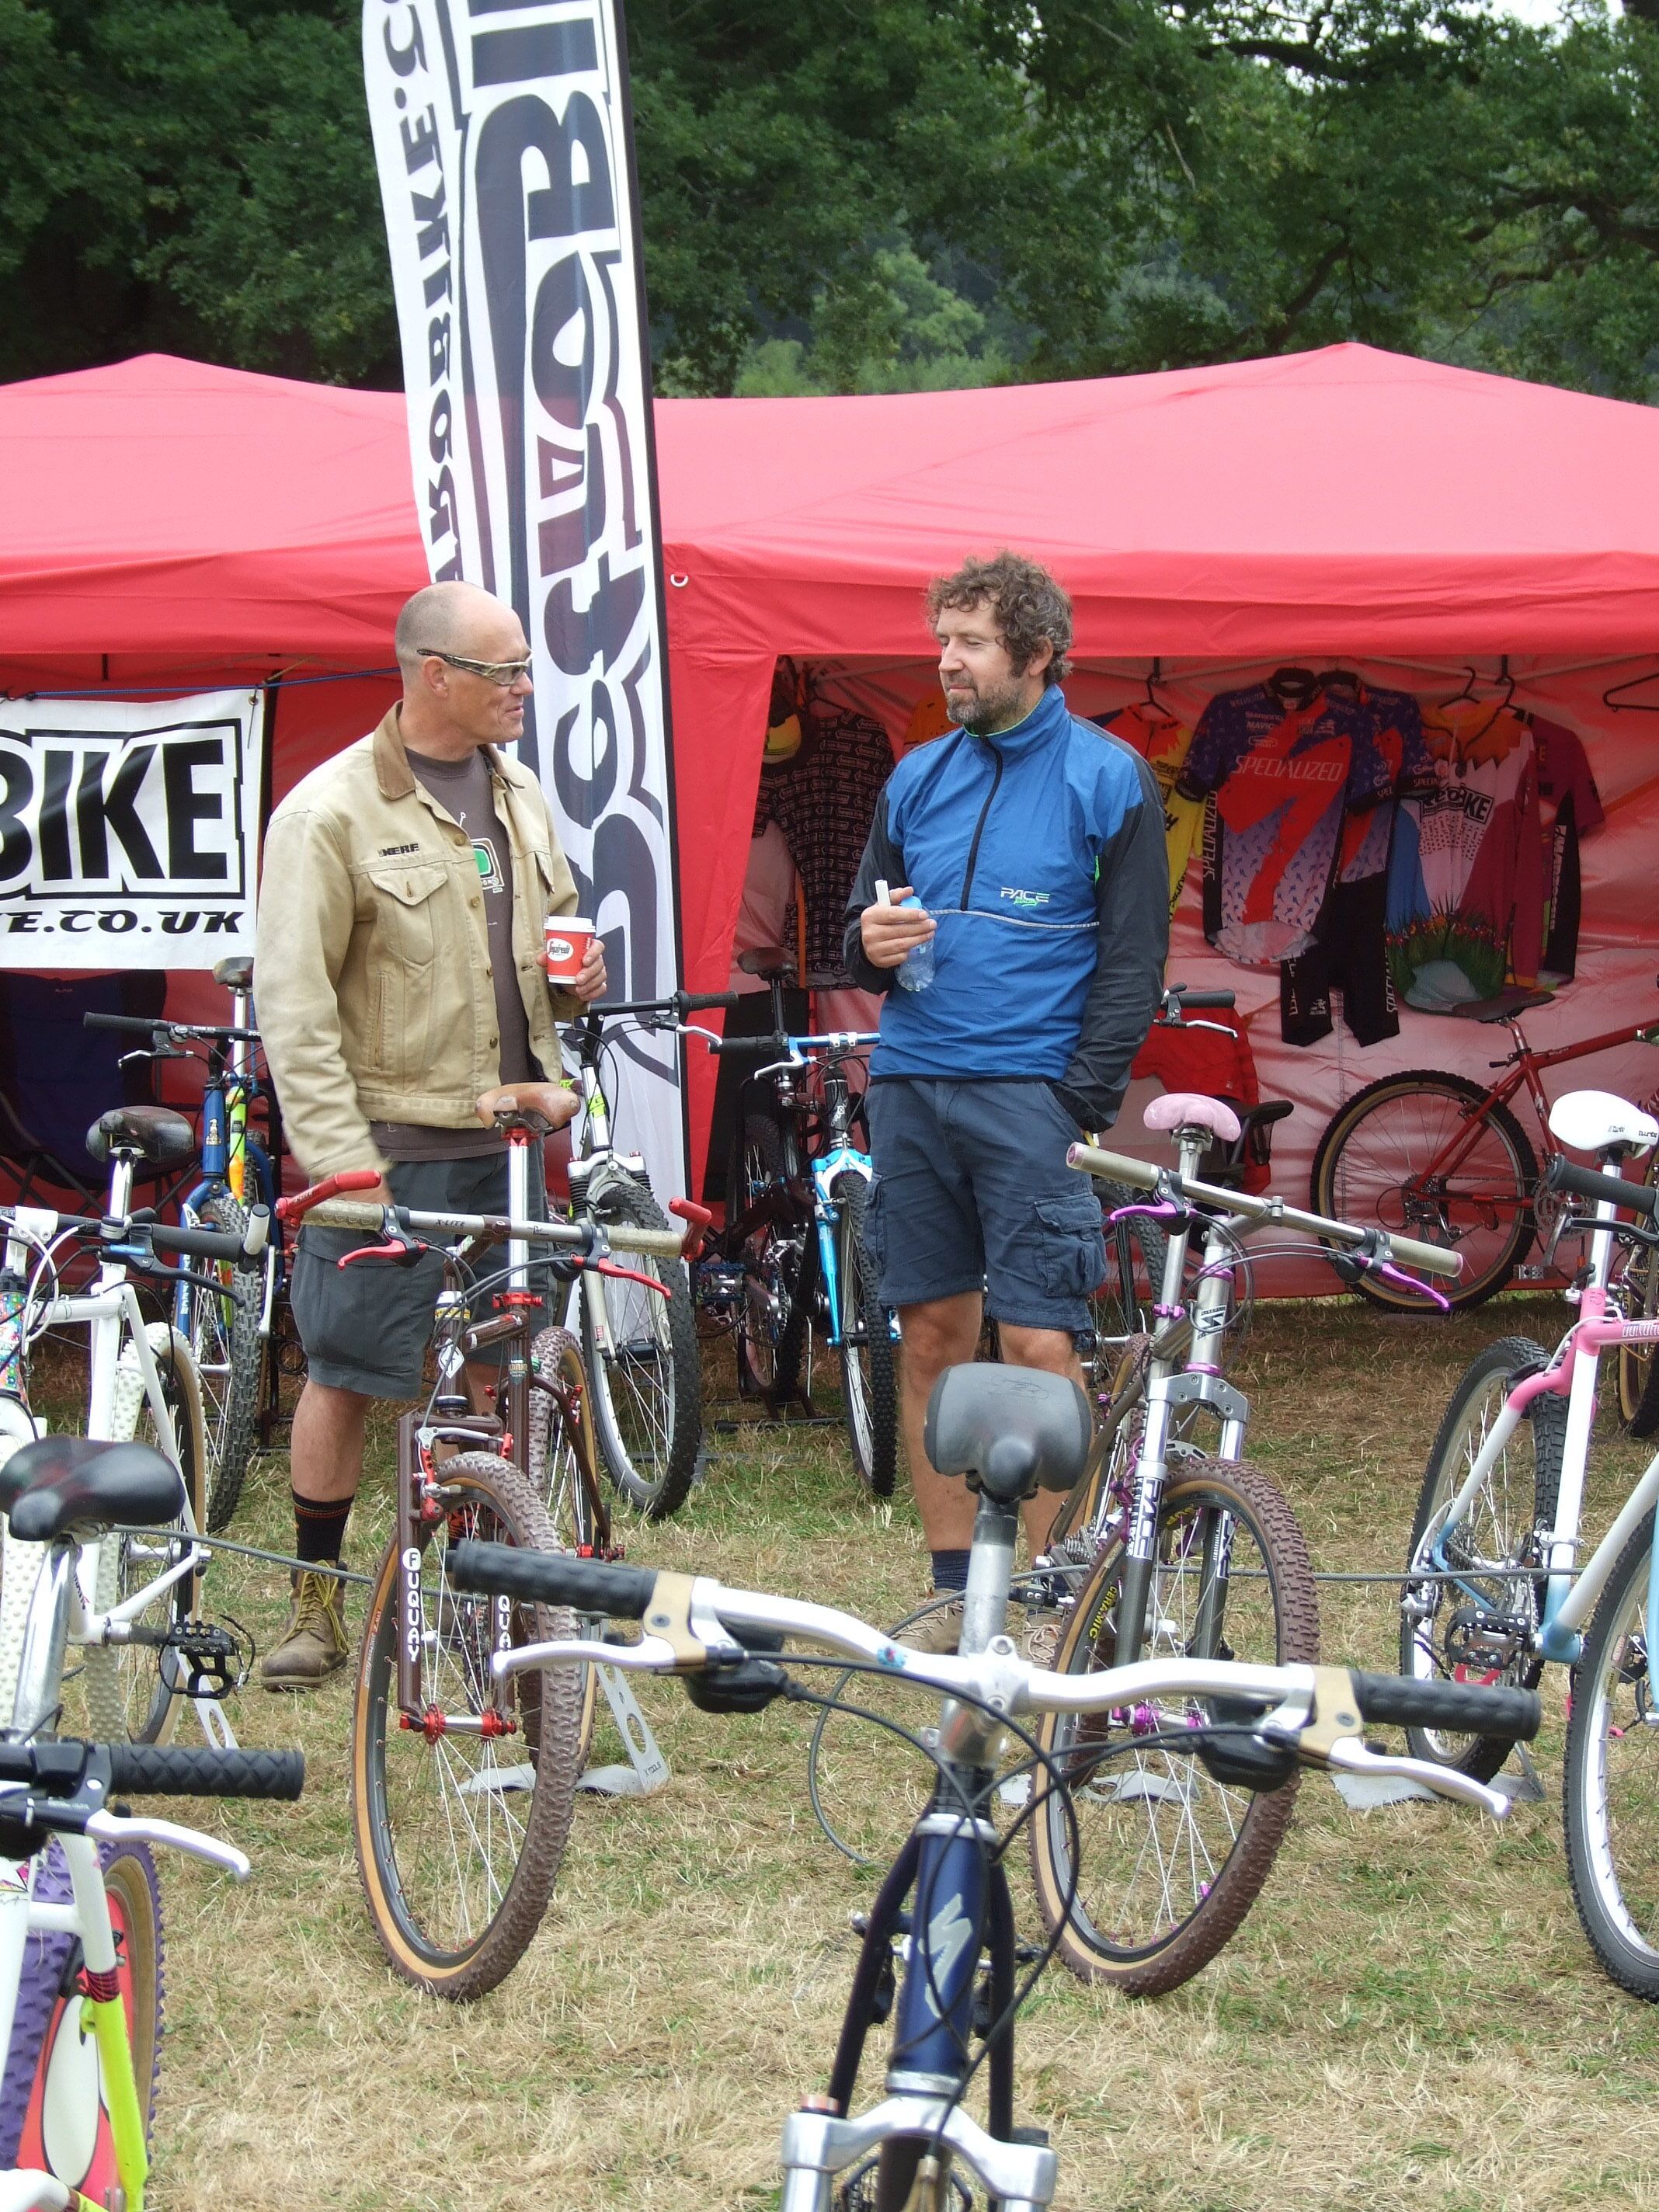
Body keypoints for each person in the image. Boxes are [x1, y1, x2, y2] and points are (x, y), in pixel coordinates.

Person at [253, 582, 606, 1687]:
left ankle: (477, 1594)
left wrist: (582, 985)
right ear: (432, 674)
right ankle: (316, 1604)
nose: (524, 691)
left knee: (497, 1371)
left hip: (508, 1141)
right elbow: (296, 1010)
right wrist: (337, 1166)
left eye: (523, 669)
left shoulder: (522, 797)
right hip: (387, 1147)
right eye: (504, 672)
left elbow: (549, 943)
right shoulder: (329, 813)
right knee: (350, 1372)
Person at [843, 551, 1168, 1649]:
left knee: (1037, 1344)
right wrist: (869, 948)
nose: (946, 661)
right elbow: (862, 928)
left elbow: (1133, 965)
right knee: (932, 1333)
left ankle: (1056, 1598)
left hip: (1031, 1097)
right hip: (912, 1086)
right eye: (942, 640)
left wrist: (1074, 1100)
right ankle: (951, 1592)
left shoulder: (1109, 776)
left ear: (1036, 655)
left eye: (969, 643)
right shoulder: (917, 775)